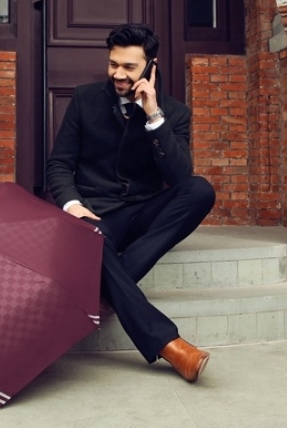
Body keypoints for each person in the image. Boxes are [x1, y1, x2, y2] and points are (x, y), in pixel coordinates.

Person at [46, 23, 216, 383]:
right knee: (93, 239)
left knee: (200, 190)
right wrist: (73, 206)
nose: (118, 74)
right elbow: (59, 164)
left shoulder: (174, 113)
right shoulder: (85, 99)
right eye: (113, 64)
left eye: (129, 67)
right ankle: (169, 344)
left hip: (142, 211)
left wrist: (154, 116)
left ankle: (107, 284)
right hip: (94, 213)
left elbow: (179, 176)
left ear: (151, 66)